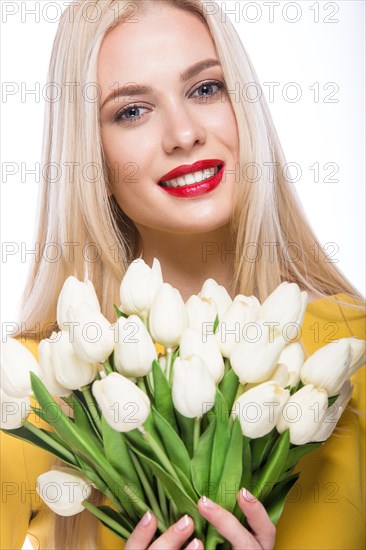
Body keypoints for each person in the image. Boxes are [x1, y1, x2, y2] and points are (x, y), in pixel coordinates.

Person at [1, 1, 365, 549]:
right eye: (131, 111)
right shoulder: (35, 393)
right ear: (90, 156)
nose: (183, 133)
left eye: (205, 89)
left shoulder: (347, 353)